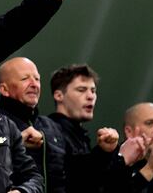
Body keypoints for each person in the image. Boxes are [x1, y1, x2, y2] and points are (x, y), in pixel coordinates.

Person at [0, 57, 68, 192]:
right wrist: (16, 141)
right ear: (4, 89)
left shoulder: (52, 126)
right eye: (24, 79)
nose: (34, 84)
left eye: (37, 79)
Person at [47, 64, 127, 192]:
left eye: (93, 91)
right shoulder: (50, 132)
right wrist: (106, 153)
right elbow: (73, 181)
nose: (90, 96)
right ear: (59, 95)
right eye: (81, 90)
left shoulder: (79, 135)